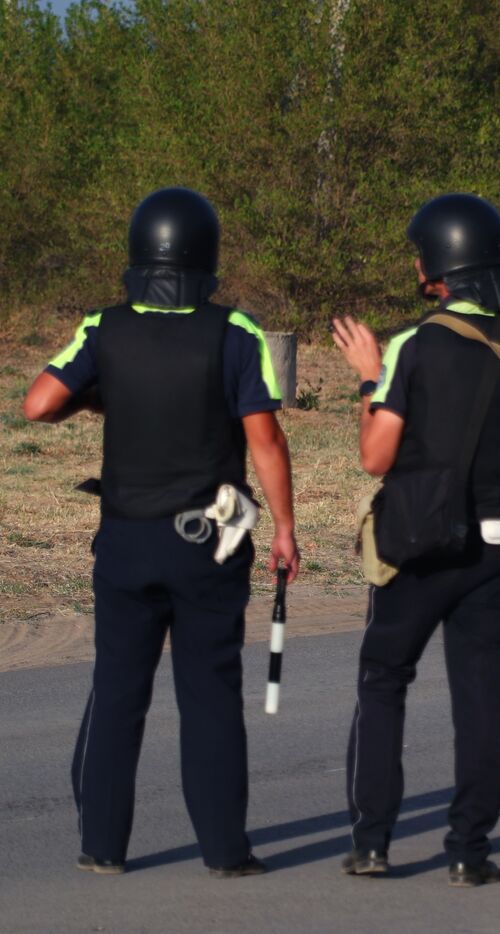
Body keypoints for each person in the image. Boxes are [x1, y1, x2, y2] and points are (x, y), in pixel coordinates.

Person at [22, 187, 300, 878]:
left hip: (126, 539)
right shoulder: (236, 333)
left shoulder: (104, 328)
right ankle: (226, 853)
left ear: (137, 253)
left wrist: (99, 393)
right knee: (209, 693)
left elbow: (37, 404)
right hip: (209, 542)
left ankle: (102, 846)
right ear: (207, 259)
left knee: (119, 689)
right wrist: (286, 529)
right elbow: (264, 440)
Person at [331, 193, 500, 888]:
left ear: (435, 270)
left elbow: (375, 457)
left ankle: (372, 842)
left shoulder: (411, 347)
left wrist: (368, 378)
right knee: (482, 696)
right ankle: (468, 852)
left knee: (384, 679)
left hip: (420, 545)